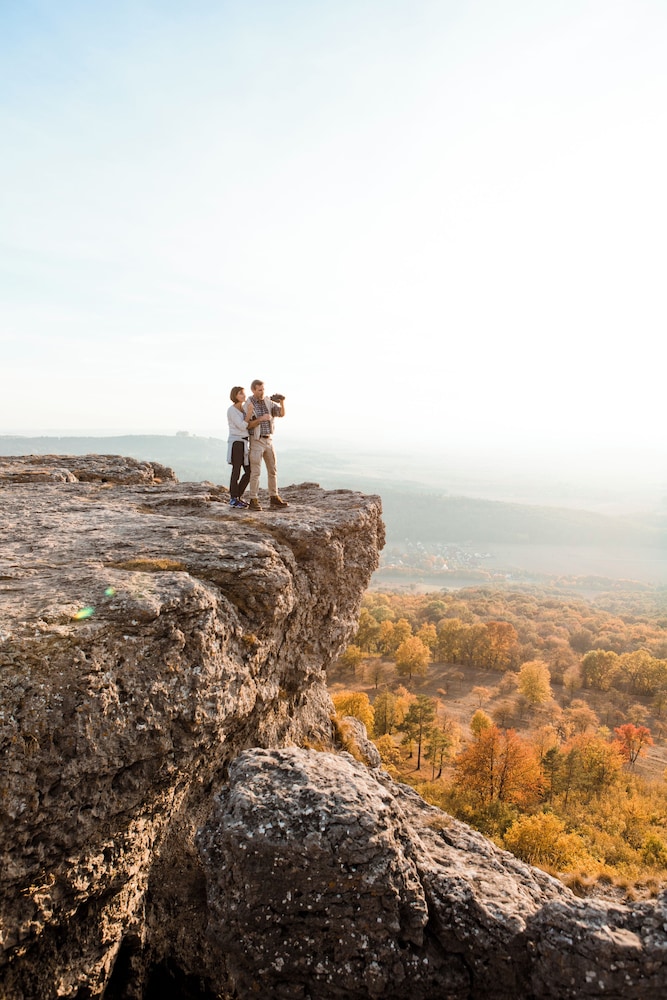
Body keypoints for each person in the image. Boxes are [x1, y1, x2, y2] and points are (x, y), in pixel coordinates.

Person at [246, 379, 288, 510]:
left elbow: (281, 413)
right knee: (256, 471)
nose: (262, 392)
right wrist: (261, 419)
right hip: (256, 440)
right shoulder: (249, 404)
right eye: (259, 390)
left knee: (272, 470)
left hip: (269, 440)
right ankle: (253, 499)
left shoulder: (268, 402)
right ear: (253, 390)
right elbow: (248, 425)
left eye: (263, 389)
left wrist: (282, 401)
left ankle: (274, 497)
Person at [226, 386, 253, 508]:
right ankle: (233, 498)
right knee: (236, 471)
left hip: (244, 443)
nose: (243, 395)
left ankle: (238, 496)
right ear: (235, 396)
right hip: (236, 443)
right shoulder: (232, 410)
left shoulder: (242, 410)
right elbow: (242, 426)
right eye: (240, 393)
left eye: (243, 393)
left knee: (249, 471)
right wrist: (249, 414)